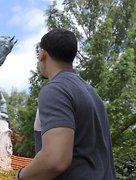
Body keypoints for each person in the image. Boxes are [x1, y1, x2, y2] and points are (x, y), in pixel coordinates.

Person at [16, 29, 116, 179]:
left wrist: (20, 176)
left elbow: (55, 160)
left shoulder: (55, 90)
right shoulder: (92, 94)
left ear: (42, 54)